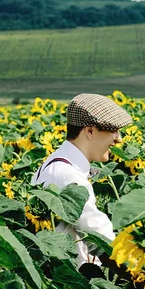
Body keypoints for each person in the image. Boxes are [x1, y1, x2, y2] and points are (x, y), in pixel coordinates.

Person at [31, 93, 132, 273]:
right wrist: (141, 268)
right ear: (90, 131)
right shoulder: (68, 175)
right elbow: (101, 240)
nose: (118, 139)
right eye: (113, 131)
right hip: (72, 283)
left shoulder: (58, 163)